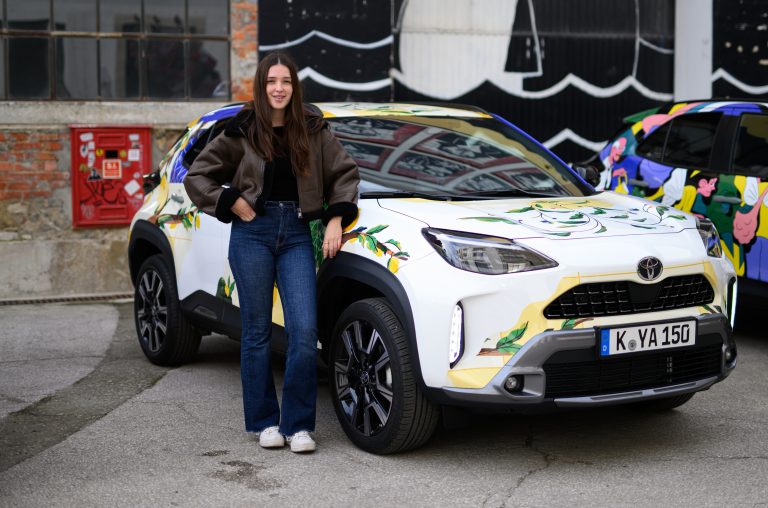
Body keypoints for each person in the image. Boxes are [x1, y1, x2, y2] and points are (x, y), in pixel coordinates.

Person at [183, 52, 360, 453]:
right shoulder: (242, 129)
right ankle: (264, 422)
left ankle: (298, 425)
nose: (278, 88)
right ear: (262, 87)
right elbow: (199, 177)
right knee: (257, 333)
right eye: (271, 82)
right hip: (253, 234)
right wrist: (232, 201)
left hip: (298, 233)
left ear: (294, 87)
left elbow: (344, 174)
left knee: (303, 333)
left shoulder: (312, 129)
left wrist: (336, 219)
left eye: (286, 81)